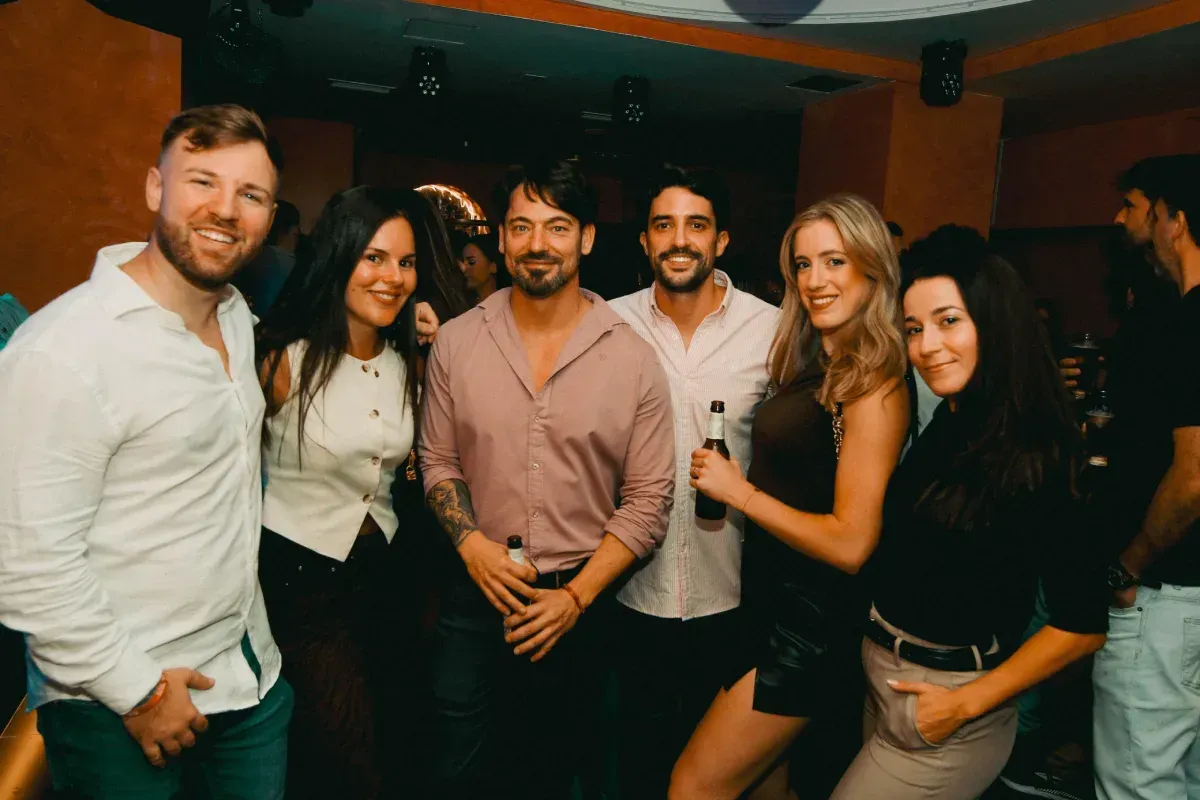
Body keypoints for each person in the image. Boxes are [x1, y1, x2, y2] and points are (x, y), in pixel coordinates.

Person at [0, 104, 292, 799]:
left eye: (250, 195)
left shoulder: (235, 320)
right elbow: (28, 566)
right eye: (202, 182)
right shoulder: (63, 351)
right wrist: (137, 693)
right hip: (118, 705)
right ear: (155, 189)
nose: (225, 210)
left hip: (249, 685)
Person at [418, 157, 675, 800]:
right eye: (522, 227)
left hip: (579, 606)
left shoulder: (632, 356)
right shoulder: (455, 342)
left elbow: (648, 500)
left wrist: (577, 598)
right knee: (456, 769)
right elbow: (437, 460)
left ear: (586, 238)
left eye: (557, 227)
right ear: (501, 239)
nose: (538, 245)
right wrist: (472, 547)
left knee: (560, 775)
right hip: (473, 599)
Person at [827, 225, 1108, 799]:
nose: (928, 345)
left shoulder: (1040, 451)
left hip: (948, 708)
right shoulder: (956, 421)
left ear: (995, 323)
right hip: (886, 682)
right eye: (914, 328)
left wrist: (961, 707)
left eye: (948, 321)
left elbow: (1082, 626)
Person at [672, 194, 910, 800]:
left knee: (693, 786)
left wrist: (741, 494)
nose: (815, 280)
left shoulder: (874, 383)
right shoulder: (816, 361)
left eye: (834, 261)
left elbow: (854, 543)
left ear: (872, 267)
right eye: (803, 265)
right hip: (768, 607)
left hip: (809, 629)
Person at [254, 187, 467, 798]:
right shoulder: (281, 358)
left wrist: (435, 336)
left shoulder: (409, 359)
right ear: (340, 257)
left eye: (405, 262)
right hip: (300, 581)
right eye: (374, 258)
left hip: (386, 576)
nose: (392, 277)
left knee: (402, 742)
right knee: (348, 760)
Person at [606, 164, 779, 800]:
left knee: (720, 780)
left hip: (737, 595)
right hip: (630, 593)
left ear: (722, 240)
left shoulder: (773, 329)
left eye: (696, 225)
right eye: (663, 225)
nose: (680, 239)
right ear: (645, 242)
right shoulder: (607, 324)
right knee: (637, 764)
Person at [1094, 154, 1200, 800]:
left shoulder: (1190, 322)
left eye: (1134, 206)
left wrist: (1130, 562)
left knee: (1140, 779)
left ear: (1172, 219)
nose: (1122, 218)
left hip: (1168, 594)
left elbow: (1192, 480)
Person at [459, 229, 509, 303]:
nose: (463, 268)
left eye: (471, 262)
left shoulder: (507, 304)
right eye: (462, 262)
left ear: (493, 266)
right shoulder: (461, 304)